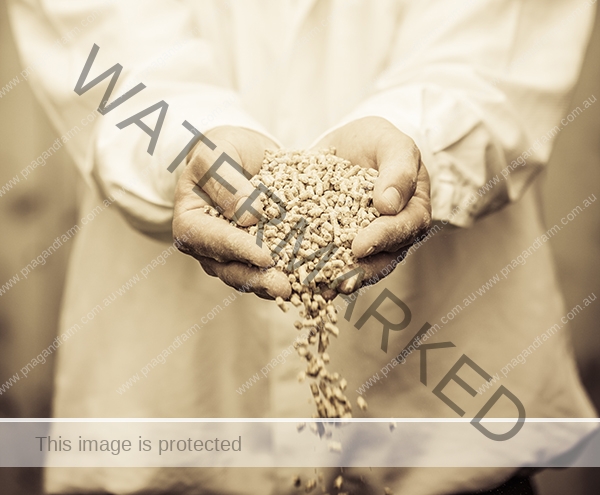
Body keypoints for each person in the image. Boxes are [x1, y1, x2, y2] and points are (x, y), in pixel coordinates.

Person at [8, 0, 597, 493]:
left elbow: (503, 44)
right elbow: (100, 38)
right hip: (172, 423)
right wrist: (195, 141)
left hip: (444, 439)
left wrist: (414, 140)